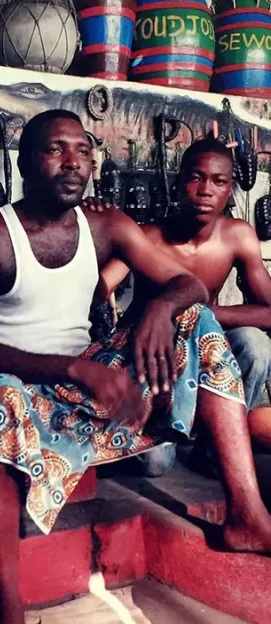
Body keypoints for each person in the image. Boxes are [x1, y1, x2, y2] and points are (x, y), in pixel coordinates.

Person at [0, 111, 271, 624]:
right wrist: (73, 370)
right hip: (26, 388)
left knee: (195, 317)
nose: (73, 162)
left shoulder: (106, 224)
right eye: (56, 150)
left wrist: (157, 310)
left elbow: (187, 286)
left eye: (82, 150)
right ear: (25, 162)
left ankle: (247, 516)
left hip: (91, 378)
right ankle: (7, 602)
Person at [96, 137, 271, 475]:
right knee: (156, 464)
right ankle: (159, 434)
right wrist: (91, 224)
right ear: (179, 184)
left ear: (229, 189)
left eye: (218, 181)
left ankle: (215, 446)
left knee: (255, 344)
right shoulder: (148, 236)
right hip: (152, 357)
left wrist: (205, 315)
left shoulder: (238, 236)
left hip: (207, 349)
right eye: (196, 178)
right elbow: (102, 287)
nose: (206, 190)